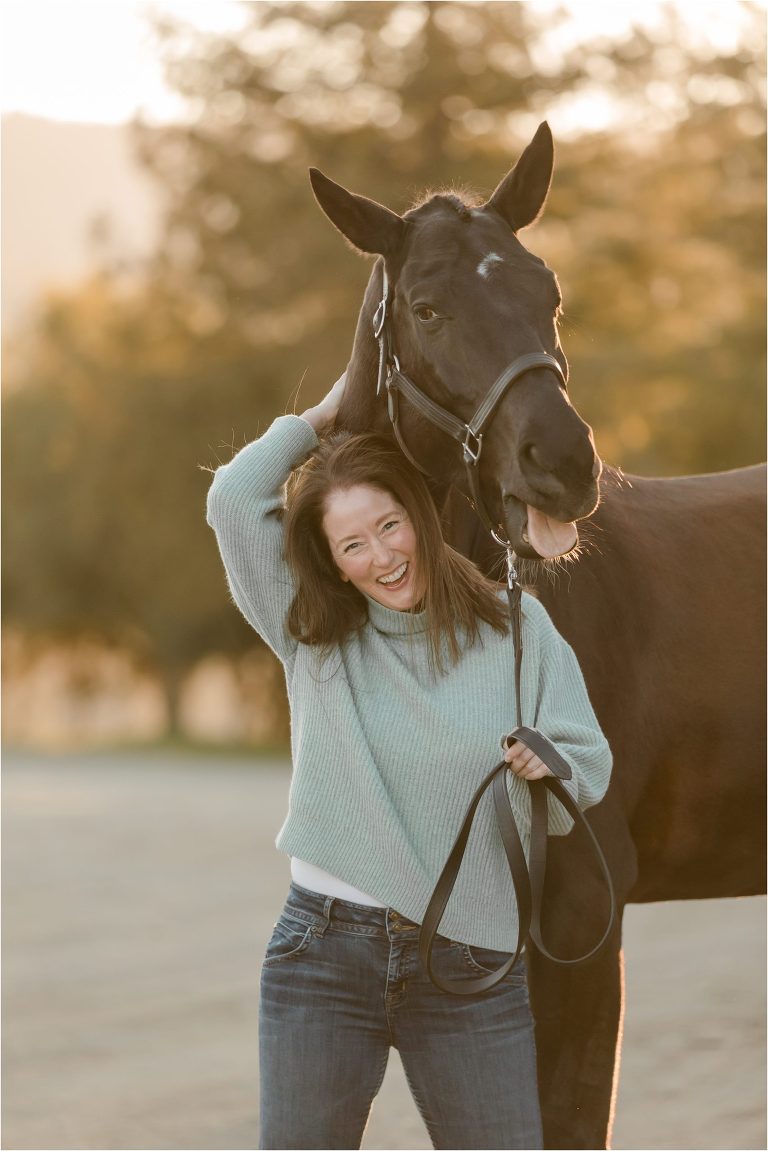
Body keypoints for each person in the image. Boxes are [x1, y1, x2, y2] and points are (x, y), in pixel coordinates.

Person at [206, 372, 612, 1151]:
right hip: (322, 952)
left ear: (419, 517)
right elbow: (232, 499)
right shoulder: (311, 632)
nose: (380, 556)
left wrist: (547, 761)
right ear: (332, 560)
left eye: (388, 525)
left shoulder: (514, 625)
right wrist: (319, 421)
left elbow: (588, 762)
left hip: (473, 966)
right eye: (351, 544)